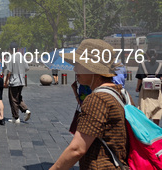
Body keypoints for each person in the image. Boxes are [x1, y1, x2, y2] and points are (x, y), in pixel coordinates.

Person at [51, 39, 129, 169]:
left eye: (78, 64)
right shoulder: (122, 93)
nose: (74, 68)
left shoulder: (97, 99)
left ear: (92, 69)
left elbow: (77, 149)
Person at [4, 44, 31, 123]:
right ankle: (26, 111)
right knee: (18, 98)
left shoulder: (11, 57)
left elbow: (9, 71)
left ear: (10, 49)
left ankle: (16, 118)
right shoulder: (21, 56)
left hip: (14, 81)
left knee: (13, 99)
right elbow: (27, 68)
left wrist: (6, 82)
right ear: (18, 49)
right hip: (21, 81)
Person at [136, 49, 162, 124]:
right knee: (157, 111)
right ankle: (156, 129)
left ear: (147, 55)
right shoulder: (160, 65)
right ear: (156, 55)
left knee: (144, 110)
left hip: (145, 91)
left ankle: (147, 130)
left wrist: (137, 88)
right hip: (157, 91)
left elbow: (140, 79)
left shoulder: (142, 65)